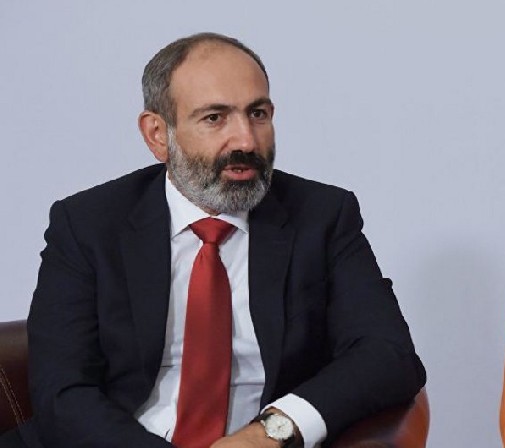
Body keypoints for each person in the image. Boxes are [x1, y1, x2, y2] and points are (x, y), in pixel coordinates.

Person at [5, 32, 425, 448]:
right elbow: (63, 391)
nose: (246, 140)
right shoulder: (88, 224)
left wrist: (272, 431)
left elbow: (389, 355)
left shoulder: (322, 217)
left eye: (258, 114)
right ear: (157, 134)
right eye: (214, 118)